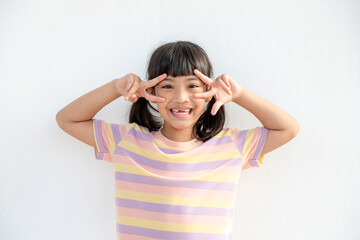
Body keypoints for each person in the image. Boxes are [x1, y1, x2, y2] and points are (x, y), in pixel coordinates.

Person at [56, 40, 300, 239]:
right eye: (168, 87)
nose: (181, 97)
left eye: (193, 86)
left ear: (209, 92)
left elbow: (288, 128)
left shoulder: (230, 146)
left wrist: (239, 94)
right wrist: (115, 87)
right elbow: (67, 119)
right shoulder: (127, 142)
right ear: (150, 92)